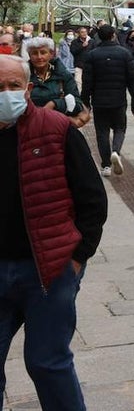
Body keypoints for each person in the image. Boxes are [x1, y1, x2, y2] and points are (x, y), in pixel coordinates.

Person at [0, 53, 108, 410]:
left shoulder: (56, 129)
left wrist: (77, 258)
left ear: (28, 89)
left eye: (13, 86)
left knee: (47, 363)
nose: (6, 93)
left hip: (48, 269)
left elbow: (92, 199)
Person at [81, 23, 134, 177]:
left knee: (102, 132)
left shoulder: (92, 55)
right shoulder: (124, 53)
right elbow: (132, 78)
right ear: (113, 35)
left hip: (99, 101)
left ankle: (105, 165)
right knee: (120, 128)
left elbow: (87, 81)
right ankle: (116, 151)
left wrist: (85, 101)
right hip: (118, 99)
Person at [25, 36, 89, 128]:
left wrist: (54, 104)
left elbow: (77, 104)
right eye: (34, 53)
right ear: (29, 55)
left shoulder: (63, 75)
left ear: (51, 54)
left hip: (58, 128)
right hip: (30, 127)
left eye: (43, 52)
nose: (39, 57)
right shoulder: (23, 76)